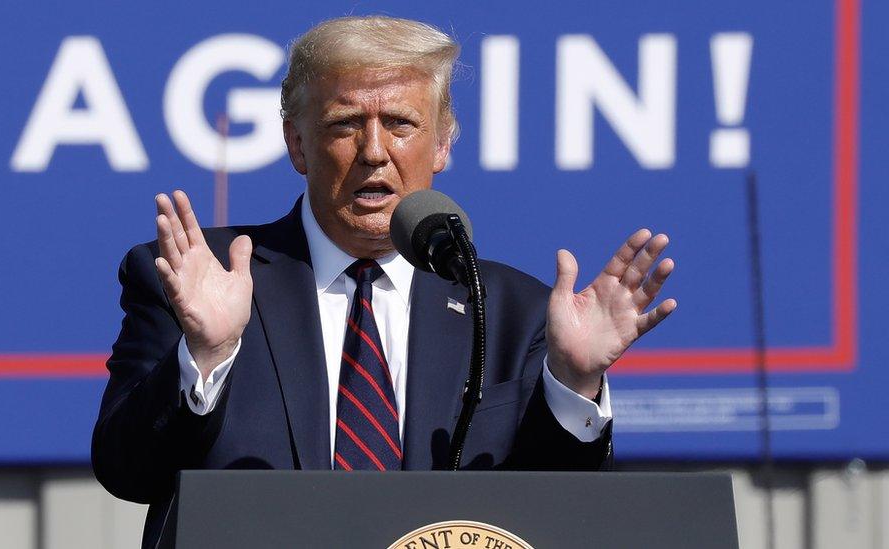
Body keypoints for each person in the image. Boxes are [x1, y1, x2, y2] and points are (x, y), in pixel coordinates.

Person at [92, 15, 676, 546]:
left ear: (443, 143)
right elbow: (127, 472)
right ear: (297, 143)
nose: (374, 151)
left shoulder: (509, 312)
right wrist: (206, 355)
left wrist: (574, 383)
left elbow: (554, 516)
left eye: (400, 124)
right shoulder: (201, 280)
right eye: (345, 123)